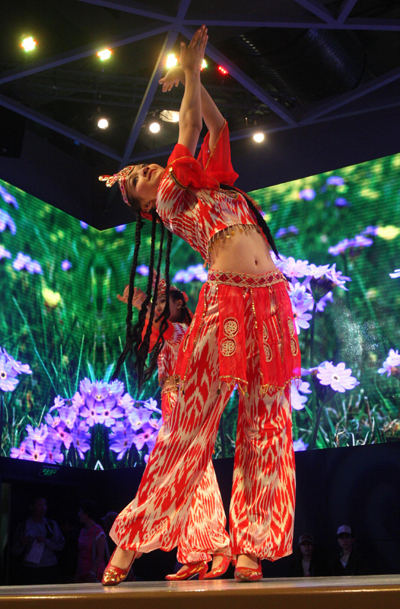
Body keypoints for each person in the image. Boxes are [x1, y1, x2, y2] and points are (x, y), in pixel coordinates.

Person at [99, 25, 301, 585]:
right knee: (190, 425)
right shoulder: (172, 196)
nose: (143, 174)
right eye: (134, 181)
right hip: (224, 303)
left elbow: (213, 124)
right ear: (144, 208)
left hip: (271, 303)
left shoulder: (212, 183)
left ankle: (252, 548)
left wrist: (195, 70)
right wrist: (189, 70)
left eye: (141, 169)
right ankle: (131, 542)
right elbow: (188, 126)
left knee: (267, 423)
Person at [117, 279, 231, 580]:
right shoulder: (168, 334)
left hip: (188, 399)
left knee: (190, 469)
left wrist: (142, 306)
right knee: (195, 472)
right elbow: (151, 333)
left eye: (163, 302)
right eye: (155, 303)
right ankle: (200, 551)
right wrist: (141, 308)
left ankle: (215, 547)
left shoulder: (188, 332)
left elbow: (164, 330)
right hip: (172, 399)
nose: (158, 308)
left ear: (180, 303)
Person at [11, 496, 65, 585]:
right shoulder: (24, 525)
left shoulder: (51, 524)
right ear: (31, 507)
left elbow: (61, 545)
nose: (43, 508)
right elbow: (13, 551)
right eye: (40, 505)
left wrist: (46, 541)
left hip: (49, 568)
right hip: (30, 569)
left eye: (45, 505)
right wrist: (21, 543)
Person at [75, 500, 107, 583]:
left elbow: (100, 555)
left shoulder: (98, 531)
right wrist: (77, 573)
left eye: (80, 511)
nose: (78, 514)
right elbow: (80, 553)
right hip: (82, 572)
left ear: (86, 513)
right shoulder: (82, 530)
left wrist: (92, 573)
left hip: (94, 574)